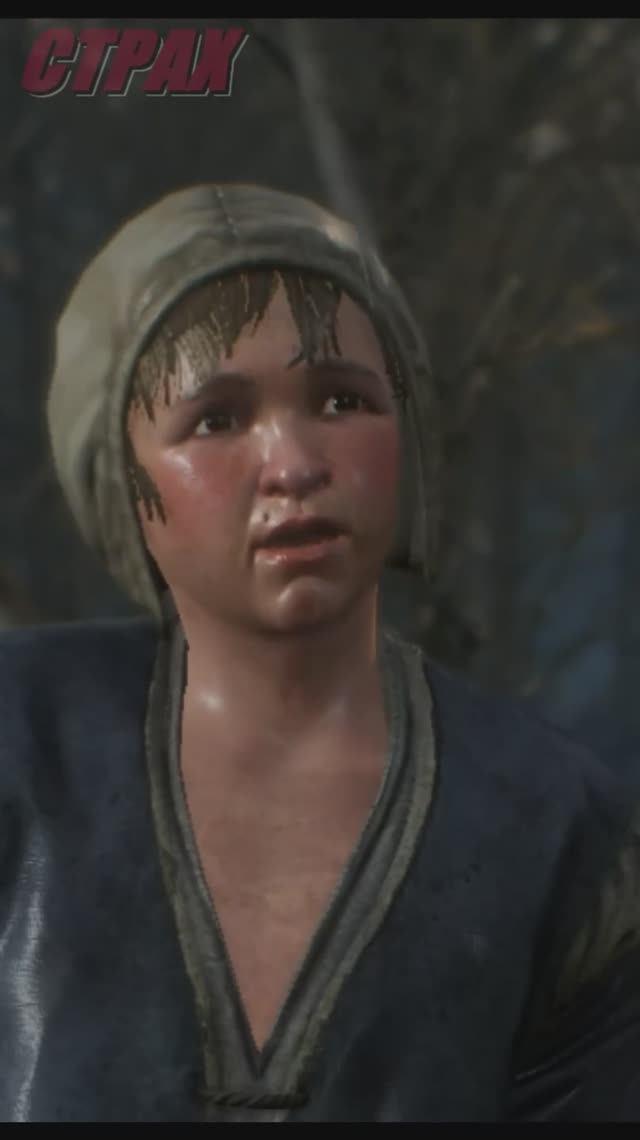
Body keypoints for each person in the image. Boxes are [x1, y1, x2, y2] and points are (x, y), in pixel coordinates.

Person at [0, 183, 638, 1123]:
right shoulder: (21, 753)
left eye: (343, 399)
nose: (294, 463)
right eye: (216, 418)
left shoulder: (559, 834)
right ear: (123, 475)